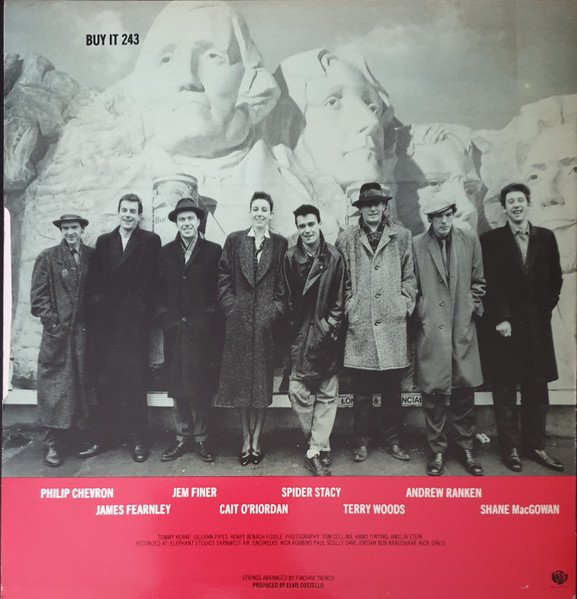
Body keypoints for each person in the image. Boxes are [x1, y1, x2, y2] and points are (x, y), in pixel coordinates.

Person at [480, 183, 564, 472]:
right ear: (504, 208)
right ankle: (511, 449)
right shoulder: (491, 241)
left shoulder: (546, 238)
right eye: (510, 201)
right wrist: (501, 318)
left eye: (520, 200)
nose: (516, 205)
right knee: (504, 389)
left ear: (528, 204)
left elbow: (555, 279)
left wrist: (542, 311)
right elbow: (489, 283)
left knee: (537, 388)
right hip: (506, 329)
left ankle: (535, 445)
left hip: (537, 328)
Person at [336, 182, 417, 464]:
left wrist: (403, 304)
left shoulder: (401, 236)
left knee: (392, 390)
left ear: (384, 206)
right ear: (360, 209)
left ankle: (393, 440)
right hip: (361, 323)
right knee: (361, 392)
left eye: (377, 203)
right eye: (367, 204)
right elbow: (342, 281)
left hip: (392, 323)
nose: (372, 208)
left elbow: (410, 277)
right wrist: (351, 305)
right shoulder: (347, 239)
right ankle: (361, 442)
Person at [80, 194, 161, 463]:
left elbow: (151, 282)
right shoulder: (104, 241)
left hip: (133, 325)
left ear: (139, 215)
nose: (128, 215)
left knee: (135, 382)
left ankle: (138, 440)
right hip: (106, 326)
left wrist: (136, 310)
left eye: (133, 211)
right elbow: (94, 281)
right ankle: (104, 437)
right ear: (118, 213)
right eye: (124, 210)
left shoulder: (149, 241)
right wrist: (99, 307)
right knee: (105, 382)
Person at [412, 198, 485, 476]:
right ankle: (437, 450)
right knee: (433, 392)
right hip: (431, 326)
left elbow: (479, 281)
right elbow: (412, 284)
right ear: (429, 219)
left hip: (461, 325)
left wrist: (471, 307)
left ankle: (466, 447)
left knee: (464, 390)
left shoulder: (469, 239)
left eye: (448, 215)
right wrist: (422, 312)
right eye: (437, 216)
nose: (443, 221)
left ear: (454, 215)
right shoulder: (418, 244)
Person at [216, 192, 287, 465]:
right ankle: (245, 437)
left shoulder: (279, 243)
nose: (259, 213)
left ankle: (257, 440)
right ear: (250, 212)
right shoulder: (235, 240)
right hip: (239, 325)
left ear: (271, 214)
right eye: (255, 209)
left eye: (264, 209)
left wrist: (272, 313)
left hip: (265, 328)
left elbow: (283, 285)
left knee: (261, 387)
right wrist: (231, 308)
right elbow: (223, 277)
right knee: (241, 387)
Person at [156, 197, 222, 464]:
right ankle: (182, 438)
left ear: (198, 221)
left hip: (201, 332)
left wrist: (207, 319)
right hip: (175, 330)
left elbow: (218, 291)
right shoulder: (165, 253)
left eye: (190, 218)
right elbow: (157, 291)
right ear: (176, 223)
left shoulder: (213, 251)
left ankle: (202, 439)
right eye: (181, 219)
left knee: (201, 386)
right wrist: (166, 318)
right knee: (178, 386)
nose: (186, 223)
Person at [283, 204, 346, 476]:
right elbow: (285, 297)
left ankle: (316, 447)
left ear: (320, 224)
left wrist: (327, 327)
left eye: (311, 224)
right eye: (302, 226)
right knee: (297, 392)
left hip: (325, 336)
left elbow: (340, 300)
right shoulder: (290, 257)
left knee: (327, 393)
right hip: (299, 336)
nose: (307, 230)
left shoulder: (334, 256)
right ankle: (318, 444)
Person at [30, 214, 94, 467]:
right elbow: (38, 299)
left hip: (83, 336)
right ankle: (52, 444)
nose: (70, 232)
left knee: (81, 387)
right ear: (61, 230)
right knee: (55, 388)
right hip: (58, 337)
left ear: (82, 229)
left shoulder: (91, 256)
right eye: (65, 228)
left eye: (74, 227)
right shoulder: (48, 257)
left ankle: (79, 438)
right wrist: (54, 325)